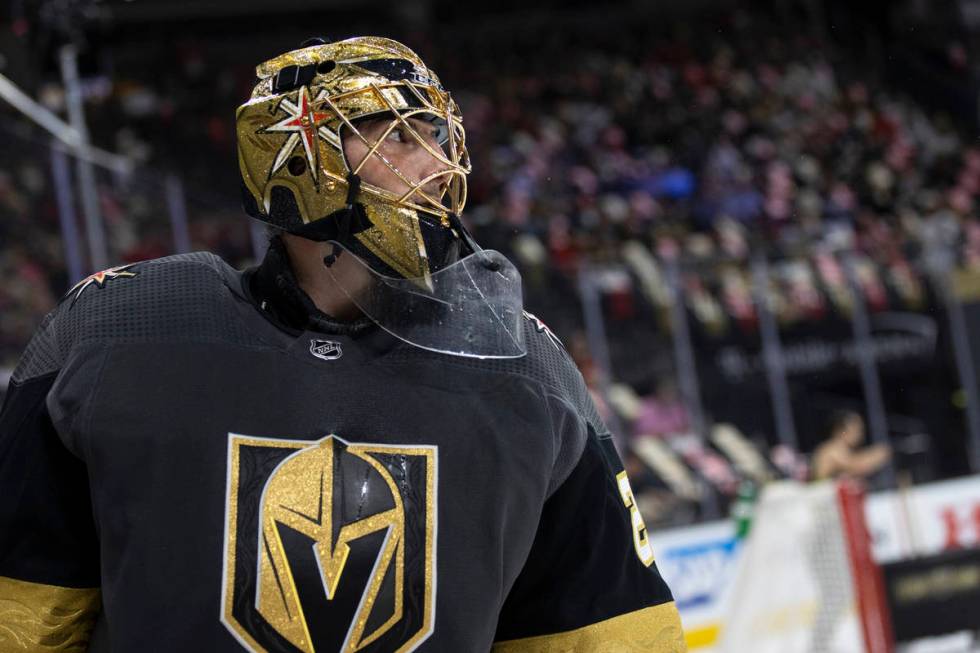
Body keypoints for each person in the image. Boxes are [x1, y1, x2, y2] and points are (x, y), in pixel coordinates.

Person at [0, 37, 685, 652]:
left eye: (439, 137)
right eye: (399, 138)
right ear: (292, 156)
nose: (439, 168)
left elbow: (613, 636)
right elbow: (20, 615)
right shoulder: (125, 329)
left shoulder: (527, 368)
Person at [810, 409, 891, 481]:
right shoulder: (832, 448)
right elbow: (856, 466)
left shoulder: (842, 450)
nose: (860, 434)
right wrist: (877, 454)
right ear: (840, 430)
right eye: (855, 429)